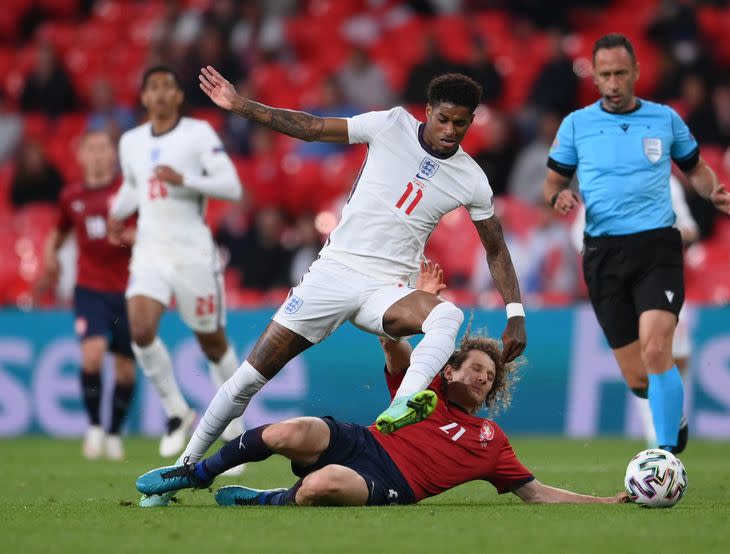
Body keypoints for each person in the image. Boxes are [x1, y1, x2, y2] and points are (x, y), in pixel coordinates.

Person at [135, 67, 527, 508]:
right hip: (333, 274)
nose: (450, 131)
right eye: (444, 119)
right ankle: (185, 468)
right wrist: (241, 105)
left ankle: (402, 406)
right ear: (429, 111)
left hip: (386, 291)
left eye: (461, 123)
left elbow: (495, 248)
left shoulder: (471, 178)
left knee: (447, 314)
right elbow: (313, 127)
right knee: (247, 378)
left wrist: (516, 311)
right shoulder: (391, 124)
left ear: (472, 121)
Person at [135, 263, 627, 508]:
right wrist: (424, 304)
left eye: (491, 377)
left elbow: (537, 494)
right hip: (364, 439)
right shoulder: (422, 386)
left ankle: (262, 499)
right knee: (290, 430)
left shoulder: (490, 443)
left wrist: (607, 502)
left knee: (319, 487)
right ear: (449, 369)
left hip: (392, 484)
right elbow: (393, 346)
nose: (483, 376)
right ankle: (195, 475)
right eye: (476, 367)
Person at [542, 34, 730, 455]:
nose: (613, 82)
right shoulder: (576, 124)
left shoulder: (665, 119)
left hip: (657, 248)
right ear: (595, 78)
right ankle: (676, 415)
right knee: (637, 378)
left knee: (656, 348)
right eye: (605, 75)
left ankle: (664, 455)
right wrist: (558, 196)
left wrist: (716, 191)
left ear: (635, 73)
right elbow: (553, 182)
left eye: (620, 73)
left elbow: (696, 168)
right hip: (603, 254)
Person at [108, 66, 245, 459]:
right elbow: (135, 187)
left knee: (213, 342)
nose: (162, 93)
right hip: (150, 250)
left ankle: (233, 427)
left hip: (192, 253)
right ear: (144, 97)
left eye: (170, 86)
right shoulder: (131, 141)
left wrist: (185, 180)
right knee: (140, 329)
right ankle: (177, 412)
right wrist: (118, 213)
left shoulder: (198, 134)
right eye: (154, 87)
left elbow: (231, 187)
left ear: (179, 97)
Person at [571, 174, 699, 447]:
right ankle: (663, 427)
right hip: (619, 286)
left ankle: (662, 432)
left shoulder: (665, 182)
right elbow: (579, 238)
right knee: (640, 372)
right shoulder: (600, 184)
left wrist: (671, 233)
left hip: (660, 275)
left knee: (674, 355)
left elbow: (690, 228)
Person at [42, 131, 136, 460]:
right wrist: (50, 253)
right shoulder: (72, 196)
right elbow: (60, 228)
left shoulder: (127, 192)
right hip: (89, 288)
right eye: (91, 149)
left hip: (128, 290)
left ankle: (113, 432)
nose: (97, 155)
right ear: (81, 156)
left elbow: (148, 229)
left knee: (125, 369)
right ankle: (95, 427)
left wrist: (128, 235)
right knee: (92, 355)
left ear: (113, 156)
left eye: (103, 149)